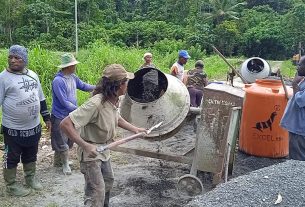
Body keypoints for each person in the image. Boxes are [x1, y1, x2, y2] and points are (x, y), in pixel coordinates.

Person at [60, 64, 147, 206]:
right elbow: (65, 124)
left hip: (104, 149)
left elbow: (116, 118)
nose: (127, 85)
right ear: (119, 85)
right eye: (126, 82)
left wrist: (135, 129)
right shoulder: (96, 103)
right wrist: (86, 145)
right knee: (96, 191)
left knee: (107, 182)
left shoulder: (112, 100)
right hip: (91, 153)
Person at [0, 45, 51, 196]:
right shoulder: (3, 78)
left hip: (33, 126)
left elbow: (41, 98)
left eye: (17, 57)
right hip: (12, 128)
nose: (13, 60)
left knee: (31, 152)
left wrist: (46, 118)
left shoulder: (33, 75)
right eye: (10, 57)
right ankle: (11, 185)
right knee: (11, 156)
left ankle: (30, 178)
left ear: (25, 60)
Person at [51, 53, 95, 175]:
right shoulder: (58, 81)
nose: (75, 66)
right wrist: (79, 110)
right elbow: (64, 101)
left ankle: (58, 162)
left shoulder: (73, 77)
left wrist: (98, 87)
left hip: (70, 114)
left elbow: (84, 86)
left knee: (69, 139)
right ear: (68, 66)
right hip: (60, 115)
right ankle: (64, 164)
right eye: (73, 65)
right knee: (61, 140)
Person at [280, 56, 305, 161]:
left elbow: (301, 100)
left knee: (297, 161)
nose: (297, 67)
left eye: (300, 65)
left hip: (300, 130)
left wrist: (294, 84)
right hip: (298, 128)